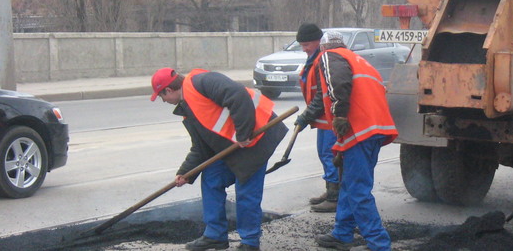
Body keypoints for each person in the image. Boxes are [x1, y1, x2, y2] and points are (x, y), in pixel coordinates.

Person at [150, 67, 287, 251]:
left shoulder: (201, 81)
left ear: (168, 90)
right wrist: (185, 172)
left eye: (161, 96)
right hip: (234, 146)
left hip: (256, 140)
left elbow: (238, 95)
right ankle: (215, 236)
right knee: (211, 179)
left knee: (246, 191)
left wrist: (243, 132)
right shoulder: (187, 108)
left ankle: (250, 242)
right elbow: (201, 148)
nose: (164, 101)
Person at [307, 31, 398, 251]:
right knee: (349, 184)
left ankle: (379, 243)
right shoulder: (359, 61)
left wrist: (338, 115)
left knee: (357, 189)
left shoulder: (330, 57)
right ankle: (342, 234)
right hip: (373, 130)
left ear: (323, 47)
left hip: (360, 130)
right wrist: (341, 145)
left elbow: (338, 83)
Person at [292, 23, 341, 213]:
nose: (304, 49)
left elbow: (322, 95)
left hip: (330, 116)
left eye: (307, 45)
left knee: (330, 154)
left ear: (318, 41)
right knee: (324, 153)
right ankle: (330, 190)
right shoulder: (313, 59)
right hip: (322, 117)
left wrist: (305, 116)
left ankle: (335, 196)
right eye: (302, 45)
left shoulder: (322, 60)